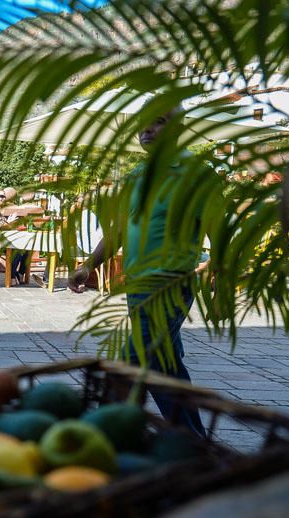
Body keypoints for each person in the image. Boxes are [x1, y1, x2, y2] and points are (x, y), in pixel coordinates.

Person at [69, 108, 220, 438]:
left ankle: (108, 432)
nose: (148, 129)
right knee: (162, 363)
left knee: (140, 361)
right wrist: (88, 266)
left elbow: (218, 229)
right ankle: (186, 442)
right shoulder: (134, 175)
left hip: (171, 281)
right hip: (137, 285)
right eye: (144, 124)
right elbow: (119, 230)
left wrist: (220, 282)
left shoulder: (196, 174)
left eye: (159, 121)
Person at [0, 187, 27, 281]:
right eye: (1, 196)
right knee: (18, 250)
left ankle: (19, 273)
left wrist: (9, 221)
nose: (3, 198)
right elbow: (3, 226)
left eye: (4, 196)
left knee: (26, 249)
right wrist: (10, 223)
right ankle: (11, 276)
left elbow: (1, 224)